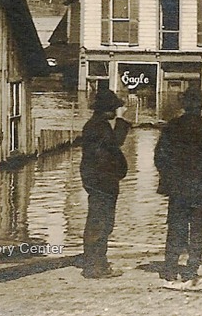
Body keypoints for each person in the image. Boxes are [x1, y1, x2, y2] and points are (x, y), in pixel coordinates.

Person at [154, 85, 202, 281]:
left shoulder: (171, 128)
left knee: (176, 226)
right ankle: (193, 266)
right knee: (197, 228)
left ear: (184, 106)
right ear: (200, 107)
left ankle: (170, 267)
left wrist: (169, 178)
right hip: (200, 188)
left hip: (178, 188)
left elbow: (160, 157)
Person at [78, 88, 131, 278]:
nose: (116, 110)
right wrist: (121, 120)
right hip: (103, 181)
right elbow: (114, 144)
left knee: (99, 220)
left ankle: (96, 261)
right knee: (101, 222)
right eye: (114, 108)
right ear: (107, 110)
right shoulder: (100, 127)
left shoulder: (94, 125)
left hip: (97, 180)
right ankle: (95, 266)